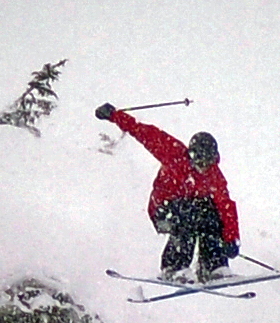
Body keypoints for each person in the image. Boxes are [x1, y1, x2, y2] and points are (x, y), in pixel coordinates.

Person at [95, 104, 240, 281]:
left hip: (190, 210)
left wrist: (231, 239)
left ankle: (213, 266)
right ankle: (174, 267)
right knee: (188, 213)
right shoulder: (174, 153)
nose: (203, 167)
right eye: (199, 162)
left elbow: (226, 208)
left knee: (211, 213)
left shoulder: (214, 176)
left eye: (207, 162)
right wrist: (114, 115)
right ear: (191, 155)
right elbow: (143, 132)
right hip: (164, 209)